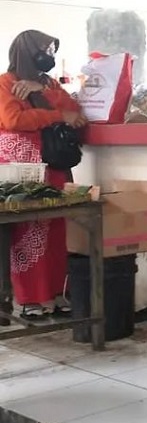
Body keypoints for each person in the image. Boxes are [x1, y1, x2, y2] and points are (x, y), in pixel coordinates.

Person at [0, 31, 86, 318]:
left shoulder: (48, 83)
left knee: (56, 229)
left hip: (54, 164)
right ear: (27, 52)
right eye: (45, 49)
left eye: (52, 50)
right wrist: (56, 116)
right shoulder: (6, 82)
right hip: (21, 170)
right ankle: (29, 300)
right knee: (27, 232)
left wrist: (42, 90)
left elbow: (75, 112)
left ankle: (56, 294)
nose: (49, 55)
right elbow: (14, 119)